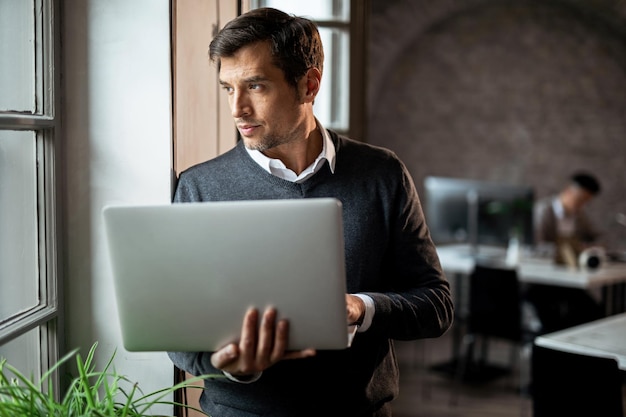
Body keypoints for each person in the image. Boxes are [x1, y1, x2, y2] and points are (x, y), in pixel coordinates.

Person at [167, 7, 454, 417]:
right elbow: (177, 332)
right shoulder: (199, 187)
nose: (238, 109)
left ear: (309, 84)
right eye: (228, 88)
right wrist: (231, 367)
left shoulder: (382, 173)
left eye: (256, 86)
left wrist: (361, 308)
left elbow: (436, 306)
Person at [526, 171, 604, 334]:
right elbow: (535, 248)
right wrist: (568, 250)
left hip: (568, 281)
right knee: (555, 322)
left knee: (593, 312)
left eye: (586, 202)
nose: (581, 205)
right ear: (568, 191)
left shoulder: (579, 215)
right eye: (580, 199)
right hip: (543, 282)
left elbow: (594, 237)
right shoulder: (543, 211)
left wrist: (592, 246)